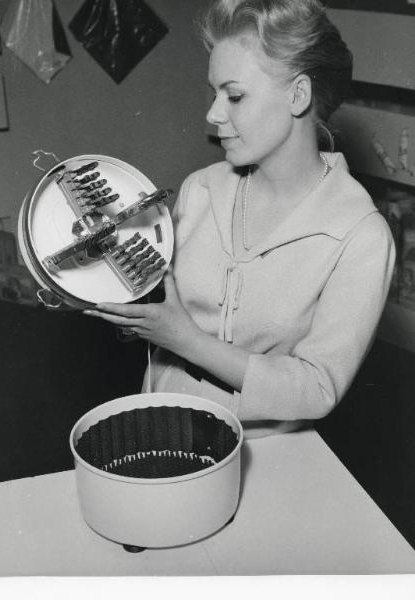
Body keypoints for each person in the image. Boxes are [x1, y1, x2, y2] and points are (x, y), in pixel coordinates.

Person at [84, 0, 395, 437]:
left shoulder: (360, 235)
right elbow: (160, 304)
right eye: (214, 94)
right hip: (158, 428)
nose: (213, 114)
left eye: (235, 95)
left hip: (267, 461)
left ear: (298, 95)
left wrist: (186, 341)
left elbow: (317, 388)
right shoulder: (201, 189)